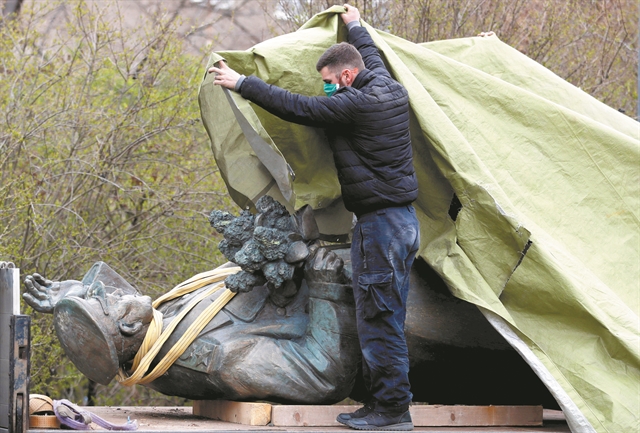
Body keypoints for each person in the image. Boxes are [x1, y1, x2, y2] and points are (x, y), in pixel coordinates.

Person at [208, 4, 419, 431]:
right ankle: (382, 404)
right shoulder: (388, 86)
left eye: (327, 82)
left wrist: (242, 82)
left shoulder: (355, 104)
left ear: (345, 77)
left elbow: (297, 108)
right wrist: (356, 25)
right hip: (399, 223)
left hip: (382, 227)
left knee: (381, 320)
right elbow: (370, 53)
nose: (324, 89)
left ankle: (393, 411)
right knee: (383, 315)